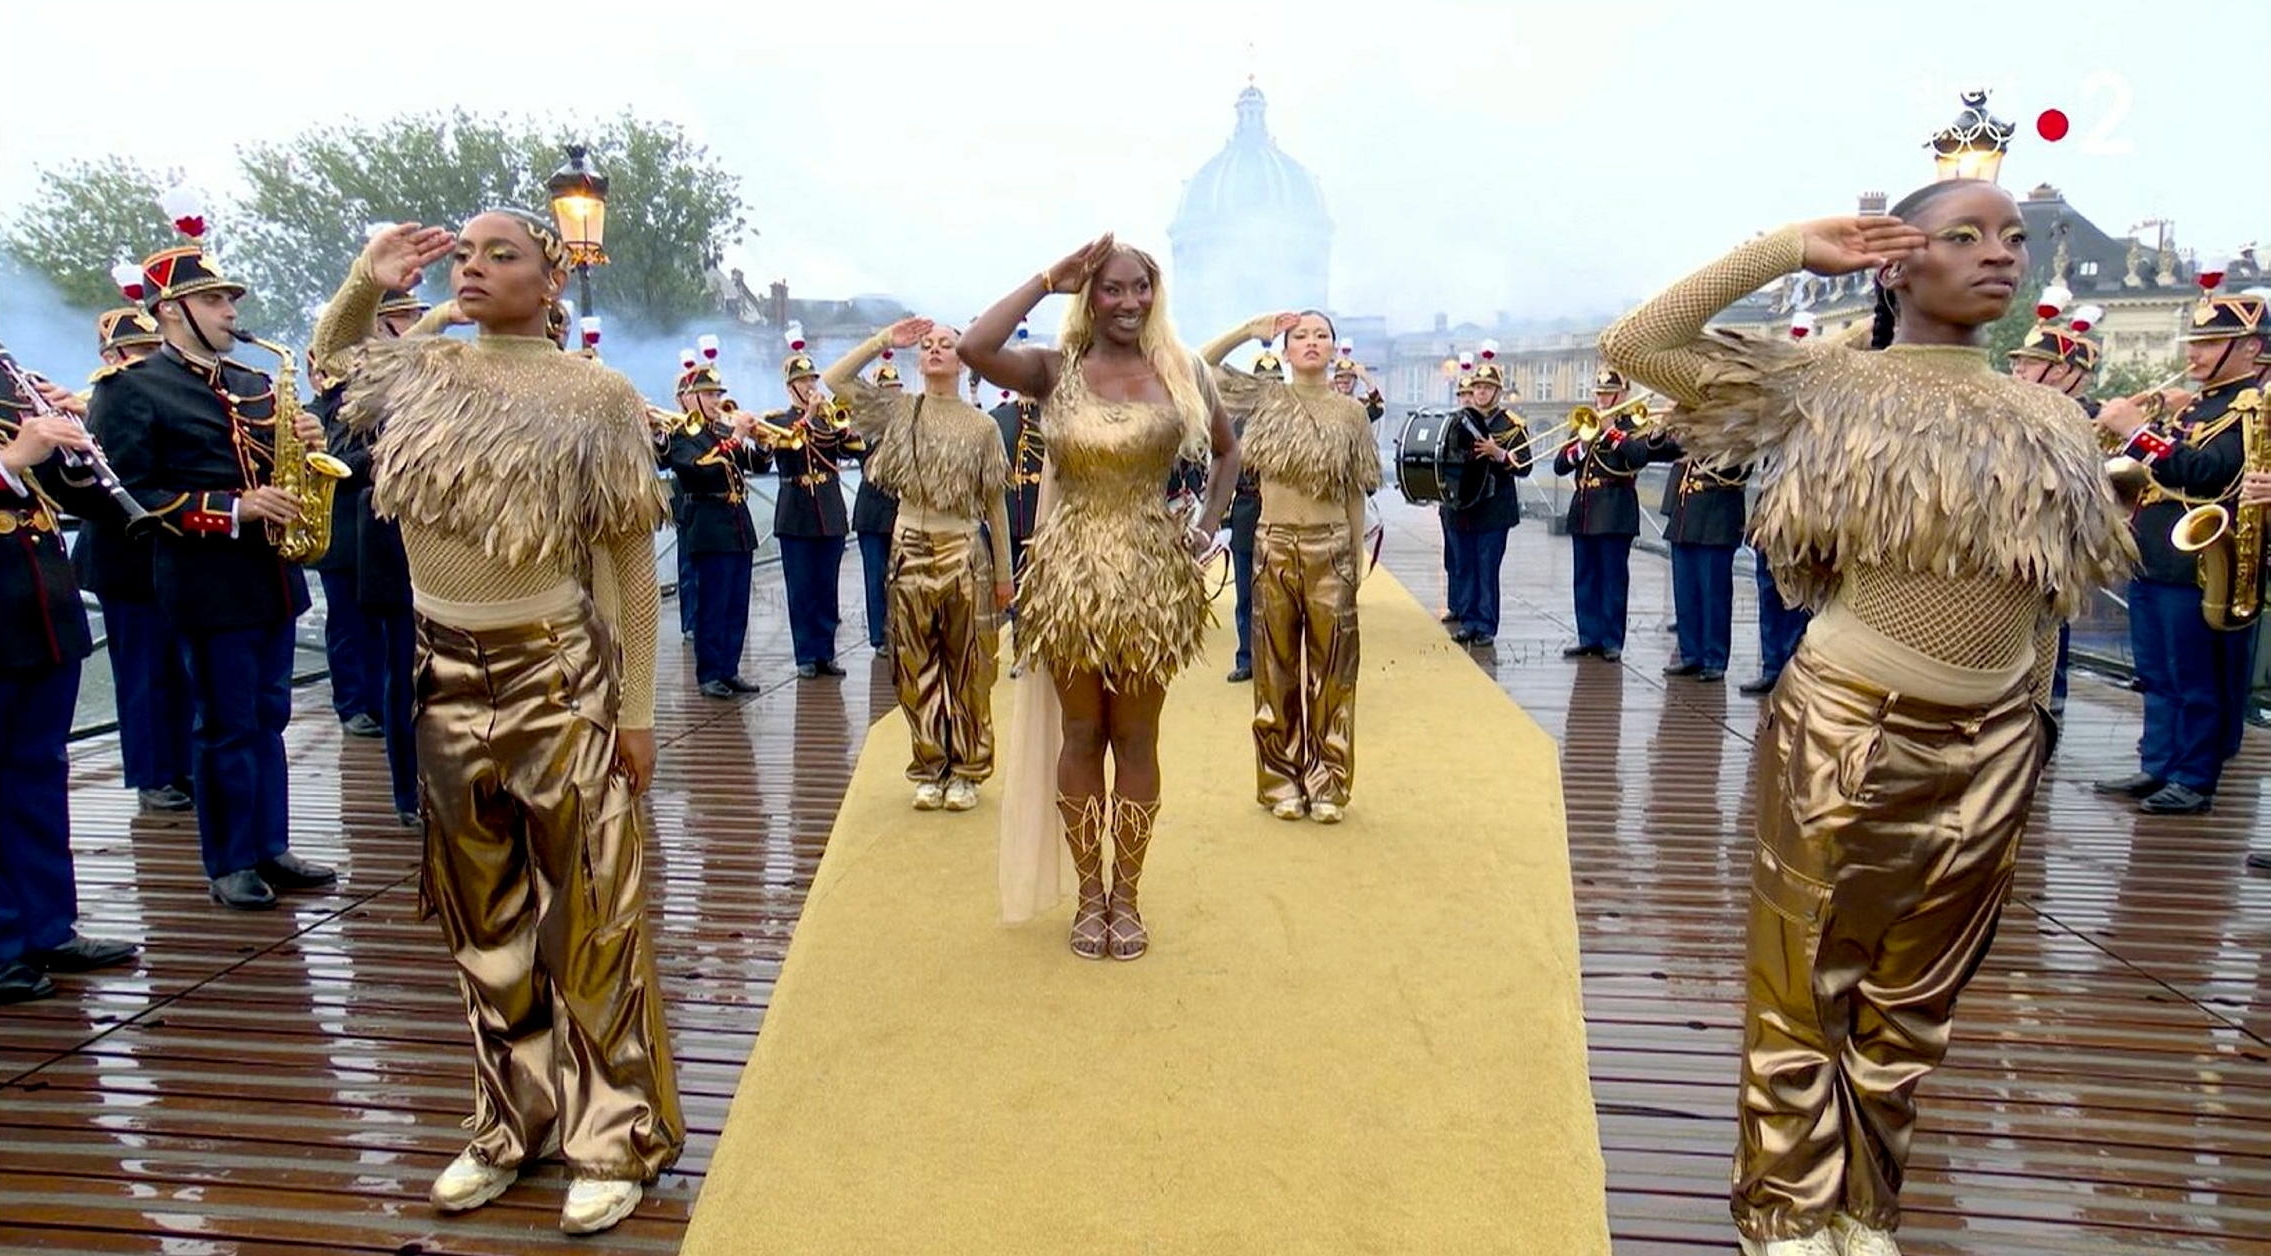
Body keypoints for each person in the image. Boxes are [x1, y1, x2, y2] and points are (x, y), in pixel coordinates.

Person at [1599, 182, 2132, 1256]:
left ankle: (1863, 1205)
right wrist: (1794, 246)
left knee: (1916, 1004)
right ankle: (1786, 1206)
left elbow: (2046, 600)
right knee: (1807, 981)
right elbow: (1639, 342)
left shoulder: (2055, 417)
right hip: (1853, 722)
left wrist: (2025, 723)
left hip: (1996, 742)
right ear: (1897, 262)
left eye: (2013, 239)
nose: (2000, 255)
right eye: (1965, 236)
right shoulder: (1824, 383)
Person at [324, 212, 681, 1235]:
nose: (475, 267)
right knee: (483, 918)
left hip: (556, 673)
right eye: (464, 255)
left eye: (502, 254)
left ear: (551, 278)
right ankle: (510, 1117)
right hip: (441, 674)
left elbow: (625, 563)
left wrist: (639, 708)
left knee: (591, 913)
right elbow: (336, 359)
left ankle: (613, 1133)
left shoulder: (595, 394)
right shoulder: (423, 368)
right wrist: (369, 275)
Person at [961, 234, 1238, 962]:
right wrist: (1047, 277)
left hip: (1152, 581)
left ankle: (1129, 897)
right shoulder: (1056, 371)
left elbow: (1228, 451)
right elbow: (974, 347)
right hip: (1068, 580)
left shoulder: (1181, 372)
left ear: (1155, 294)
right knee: (1081, 736)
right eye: (1111, 288)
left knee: (1137, 739)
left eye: (1139, 288)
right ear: (1091, 295)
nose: (1127, 302)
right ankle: (1090, 896)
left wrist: (1208, 526)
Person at [90, 227, 337, 911]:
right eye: (217, 301)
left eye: (230, 300)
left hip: (272, 578)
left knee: (268, 715)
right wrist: (232, 507)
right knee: (225, 721)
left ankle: (269, 844)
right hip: (205, 580)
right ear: (172, 310)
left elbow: (272, 460)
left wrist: (306, 439)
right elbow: (126, 494)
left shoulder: (253, 381)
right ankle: (229, 860)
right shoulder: (132, 389)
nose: (232, 312)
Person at [0, 348, 144, 1004]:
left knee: (38, 776)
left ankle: (48, 926)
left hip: (40, 616)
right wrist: (12, 460)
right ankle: (5, 944)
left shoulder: (8, 379)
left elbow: (77, 497)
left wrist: (71, 440)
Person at [824, 319, 1015, 811]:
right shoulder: (899, 411)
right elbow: (835, 382)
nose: (934, 351)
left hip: (962, 549)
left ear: (963, 357)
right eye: (928, 346)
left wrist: (1003, 574)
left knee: (970, 667)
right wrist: (883, 340)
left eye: (946, 345)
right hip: (908, 545)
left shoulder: (983, 426)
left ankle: (968, 770)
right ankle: (930, 766)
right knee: (913, 664)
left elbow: (995, 504)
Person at [2092, 286, 2266, 815]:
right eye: (2195, 341)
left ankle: (2193, 776)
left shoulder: (2249, 406)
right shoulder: (2201, 402)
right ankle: (2160, 763)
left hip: (2198, 564)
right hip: (2155, 554)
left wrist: (2137, 430)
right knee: (2157, 672)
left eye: (2211, 343)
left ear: (2251, 347)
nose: (2194, 353)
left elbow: (2208, 474)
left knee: (2196, 677)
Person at [1203, 311, 1380, 822]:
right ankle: (1279, 780)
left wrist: (1355, 557)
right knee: (1275, 671)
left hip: (1332, 547)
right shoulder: (1265, 398)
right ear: (1284, 349)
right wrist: (1244, 330)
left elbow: (1353, 489)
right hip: (1273, 545)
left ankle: (1328, 783)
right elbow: (1200, 367)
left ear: (1334, 348)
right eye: (1299, 336)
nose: (1310, 343)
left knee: (1334, 674)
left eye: (1320, 335)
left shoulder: (1350, 413)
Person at [315, 270, 442, 828]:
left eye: (419, 317)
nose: (415, 326)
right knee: (401, 671)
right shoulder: (349, 389)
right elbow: (343, 459)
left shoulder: (432, 382)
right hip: (388, 537)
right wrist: (406, 447)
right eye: (408, 317)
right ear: (384, 324)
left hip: (441, 539)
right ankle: (407, 791)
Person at [71, 303, 195, 812]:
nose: (151, 359)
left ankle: (183, 762)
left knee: (180, 667)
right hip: (125, 559)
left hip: (171, 555)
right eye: (142, 351)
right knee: (144, 671)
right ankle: (152, 773)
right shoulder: (108, 395)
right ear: (116, 354)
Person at [2007, 299, 2106, 721]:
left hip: (2058, 537)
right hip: (2016, 532)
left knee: (2051, 618)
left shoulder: (2088, 418)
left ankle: (2051, 693)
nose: (2018, 372)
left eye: (2030, 364)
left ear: (2062, 372)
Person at [661, 351, 768, 698]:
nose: (717, 400)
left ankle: (729, 669)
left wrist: (762, 443)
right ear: (690, 398)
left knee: (737, 604)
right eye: (709, 394)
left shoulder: (721, 431)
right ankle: (709, 673)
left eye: (718, 394)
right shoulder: (682, 433)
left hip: (737, 525)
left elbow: (755, 463)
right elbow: (699, 467)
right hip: (708, 523)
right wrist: (736, 436)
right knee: (713, 603)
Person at [760, 332, 853, 679]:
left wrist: (840, 425)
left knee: (827, 586)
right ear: (791, 388)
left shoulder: (830, 419)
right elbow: (775, 453)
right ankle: (805, 655)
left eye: (813, 379)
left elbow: (852, 450)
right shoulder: (779, 421)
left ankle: (825, 652)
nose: (811, 386)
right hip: (796, 511)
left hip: (828, 511)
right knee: (801, 588)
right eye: (803, 381)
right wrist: (809, 416)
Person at [1555, 369, 1651, 661]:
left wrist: (1611, 431)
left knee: (1612, 578)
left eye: (1607, 393)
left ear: (1622, 395)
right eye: (1598, 392)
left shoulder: (1633, 426)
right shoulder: (1585, 424)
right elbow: (1561, 465)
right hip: (1584, 508)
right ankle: (1588, 636)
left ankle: (1611, 640)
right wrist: (1583, 444)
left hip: (1614, 509)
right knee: (1584, 577)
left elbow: (1638, 457)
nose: (1600, 398)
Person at [1645, 416, 1747, 682]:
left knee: (1714, 595)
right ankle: (1691, 654)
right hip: (1686, 518)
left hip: (1716, 518)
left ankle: (1715, 658)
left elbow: (1738, 469)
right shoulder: (1690, 425)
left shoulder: (1735, 426)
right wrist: (1661, 431)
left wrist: (1704, 436)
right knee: (1686, 592)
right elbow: (1662, 451)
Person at [1440, 353, 1532, 644]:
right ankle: (1468, 621)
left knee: (1486, 568)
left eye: (1486, 387)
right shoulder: (1458, 421)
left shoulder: (1512, 424)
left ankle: (1486, 625)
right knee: (1464, 565)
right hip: (1461, 507)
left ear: (1497, 392)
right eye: (1477, 387)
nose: (1480, 392)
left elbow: (1525, 465)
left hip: (1493, 509)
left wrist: (1499, 454)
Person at [1220, 349, 1278, 682]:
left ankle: (1276, 659)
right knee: (1246, 594)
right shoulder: (1236, 422)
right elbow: (1224, 466)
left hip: (1281, 515)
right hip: (1246, 513)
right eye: (1263, 382)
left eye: (1274, 382)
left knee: (1277, 596)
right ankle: (1247, 658)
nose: (1268, 388)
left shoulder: (1290, 421)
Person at [848, 354, 904, 653]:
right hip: (872, 512)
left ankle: (899, 628)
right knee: (876, 575)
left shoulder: (907, 423)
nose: (893, 394)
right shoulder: (865, 423)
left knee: (901, 575)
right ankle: (879, 635)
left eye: (897, 388)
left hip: (900, 511)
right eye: (888, 388)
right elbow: (860, 452)